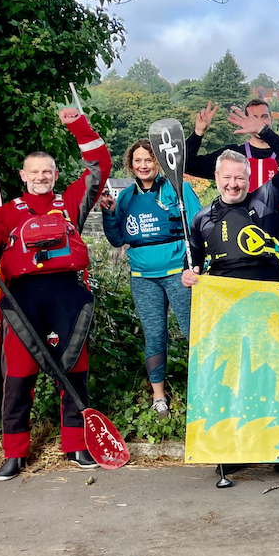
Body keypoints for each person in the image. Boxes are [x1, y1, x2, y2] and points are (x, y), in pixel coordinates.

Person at [0, 107, 111, 481]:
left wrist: (78, 125)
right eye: (34, 172)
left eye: (47, 171)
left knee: (74, 372)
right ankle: (14, 453)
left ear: (55, 175)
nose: (41, 177)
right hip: (23, 300)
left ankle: (76, 445)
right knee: (17, 377)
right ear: (23, 176)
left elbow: (100, 164)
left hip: (68, 296)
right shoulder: (3, 215)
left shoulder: (72, 203)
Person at [182, 108, 279, 479]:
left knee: (278, 373)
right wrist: (187, 275)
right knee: (238, 377)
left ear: (247, 178)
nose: (234, 184)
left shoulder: (264, 199)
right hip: (229, 308)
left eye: (239, 177)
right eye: (227, 178)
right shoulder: (201, 219)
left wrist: (266, 132)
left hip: (271, 300)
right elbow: (191, 262)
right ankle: (237, 449)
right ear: (218, 178)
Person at [100, 139, 202, 418]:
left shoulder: (177, 188)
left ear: (157, 162)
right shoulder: (125, 197)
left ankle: (204, 390)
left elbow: (199, 225)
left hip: (178, 275)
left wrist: (196, 267)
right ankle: (159, 397)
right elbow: (117, 238)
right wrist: (109, 213)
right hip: (143, 278)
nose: (143, 165)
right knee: (155, 335)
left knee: (195, 331)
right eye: (138, 161)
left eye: (149, 160)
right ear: (130, 165)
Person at [185, 98, 279, 280]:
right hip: (235, 245)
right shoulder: (232, 158)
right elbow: (187, 164)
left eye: (264, 117)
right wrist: (198, 133)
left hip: (276, 247)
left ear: (272, 120)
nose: (258, 121)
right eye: (254, 118)